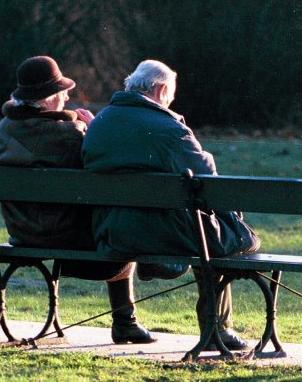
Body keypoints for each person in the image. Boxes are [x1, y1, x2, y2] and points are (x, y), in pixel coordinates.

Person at [82, 59, 260, 351]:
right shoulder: (169, 127)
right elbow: (208, 181)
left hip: (112, 231)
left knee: (195, 228)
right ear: (161, 89)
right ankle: (217, 328)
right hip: (163, 231)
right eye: (171, 95)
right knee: (220, 238)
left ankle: (129, 313)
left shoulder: (100, 123)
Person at [0, 55, 156, 344]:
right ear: (46, 100)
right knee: (118, 230)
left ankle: (126, 321)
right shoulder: (69, 134)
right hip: (64, 235)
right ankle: (125, 321)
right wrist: (93, 130)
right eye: (62, 92)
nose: (68, 96)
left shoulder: (5, 130)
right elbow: (103, 165)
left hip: (22, 232)